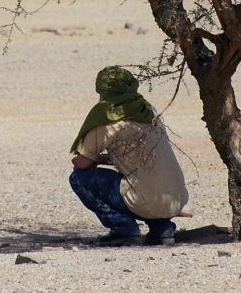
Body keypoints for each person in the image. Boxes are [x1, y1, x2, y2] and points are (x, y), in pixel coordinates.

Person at [69, 66, 189, 246]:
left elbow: (83, 163)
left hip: (145, 200)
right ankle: (162, 228)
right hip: (176, 199)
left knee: (79, 178)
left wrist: (79, 160)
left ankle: (123, 229)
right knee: (145, 180)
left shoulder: (107, 116)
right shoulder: (147, 109)